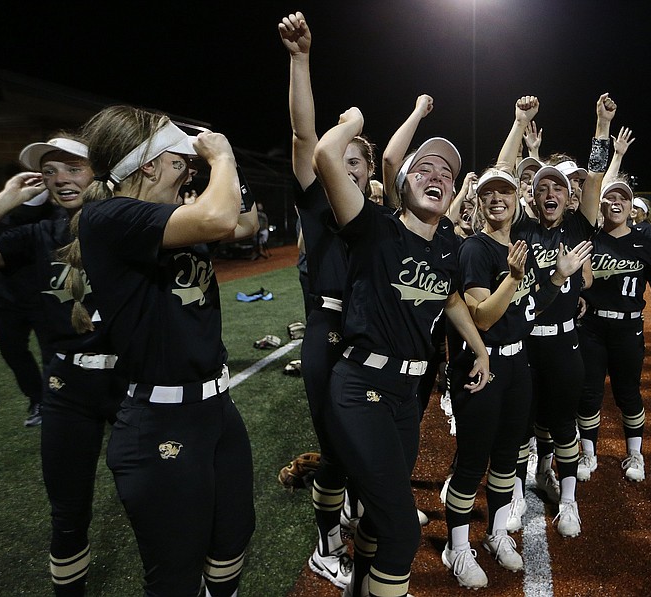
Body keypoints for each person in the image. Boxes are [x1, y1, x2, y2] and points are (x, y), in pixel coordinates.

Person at [70, 105, 258, 596]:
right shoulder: (107, 215)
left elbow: (242, 224)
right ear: (147, 165)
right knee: (175, 576)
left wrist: (234, 173)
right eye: (177, 159)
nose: (188, 165)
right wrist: (223, 158)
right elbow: (220, 217)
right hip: (160, 420)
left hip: (216, 409)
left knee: (233, 539)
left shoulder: (167, 217)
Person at [313, 103, 490, 597]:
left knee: (376, 519)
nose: (437, 176)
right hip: (360, 387)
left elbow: (452, 298)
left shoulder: (449, 247)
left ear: (453, 191)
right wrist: (353, 120)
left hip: (408, 397)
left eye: (447, 173)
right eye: (425, 168)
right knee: (402, 529)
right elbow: (326, 154)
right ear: (404, 181)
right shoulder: (375, 227)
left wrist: (480, 348)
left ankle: (362, 590)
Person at [0, 135, 125, 595]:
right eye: (50, 171)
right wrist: (3, 201)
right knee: (67, 510)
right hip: (67, 386)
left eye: (73, 168)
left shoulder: (130, 221)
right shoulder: (38, 234)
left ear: (98, 170)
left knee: (151, 496)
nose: (61, 179)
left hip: (132, 380)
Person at [442, 166, 592, 589]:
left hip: (517, 365)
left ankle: (495, 534)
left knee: (508, 457)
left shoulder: (520, 245)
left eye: (504, 192)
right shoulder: (475, 249)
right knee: (473, 462)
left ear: (515, 199)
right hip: (482, 364)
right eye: (488, 193)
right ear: (477, 203)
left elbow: (534, 305)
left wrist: (560, 276)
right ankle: (456, 546)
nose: (497, 199)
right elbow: (483, 318)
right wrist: (512, 277)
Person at [279, 11, 375, 589]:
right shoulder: (317, 205)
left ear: (368, 173)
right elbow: (304, 137)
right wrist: (300, 59)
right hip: (330, 328)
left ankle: (362, 515)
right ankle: (325, 546)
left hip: (373, 336)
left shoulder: (379, 220)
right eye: (342, 159)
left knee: (367, 440)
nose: (347, 166)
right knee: (337, 449)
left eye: (357, 162)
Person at [495, 93, 617, 538]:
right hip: (524, 342)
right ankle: (512, 495)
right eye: (542, 186)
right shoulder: (520, 227)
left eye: (558, 188)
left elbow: (597, 179)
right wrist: (518, 124)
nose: (550, 192)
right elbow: (502, 175)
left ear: (570, 198)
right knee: (520, 424)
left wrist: (601, 128)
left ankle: (567, 501)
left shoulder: (577, 225)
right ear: (531, 195)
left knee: (562, 423)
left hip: (565, 342)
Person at [576, 179, 651, 484]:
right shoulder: (590, 239)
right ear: (602, 204)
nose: (616, 203)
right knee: (589, 393)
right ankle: (587, 453)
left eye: (623, 198)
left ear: (630, 206)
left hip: (629, 327)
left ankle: (635, 454)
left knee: (628, 393)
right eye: (610, 198)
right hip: (592, 326)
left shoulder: (643, 241)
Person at [0, 179, 55, 427]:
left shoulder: (58, 215)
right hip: (8, 297)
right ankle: (38, 399)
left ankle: (54, 403)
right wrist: (0, 202)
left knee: (53, 355)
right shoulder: (3, 215)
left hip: (45, 297)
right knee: (12, 351)